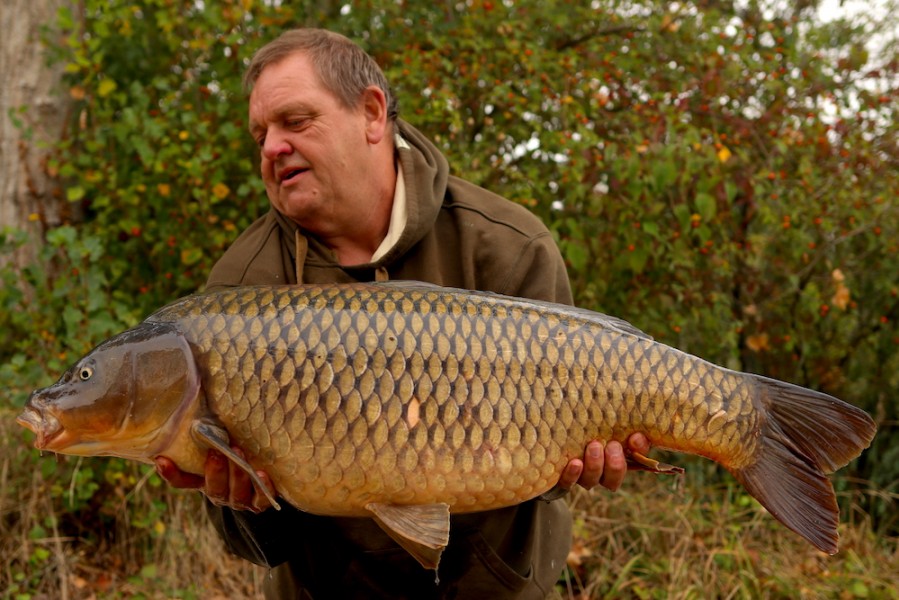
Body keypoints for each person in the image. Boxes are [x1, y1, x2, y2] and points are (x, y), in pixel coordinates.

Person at [154, 28, 650, 600]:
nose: (270, 148)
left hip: (493, 589)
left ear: (370, 113)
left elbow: (548, 472)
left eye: (295, 121)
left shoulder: (507, 245)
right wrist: (240, 502)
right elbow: (254, 546)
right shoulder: (241, 289)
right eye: (260, 134)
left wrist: (582, 463)